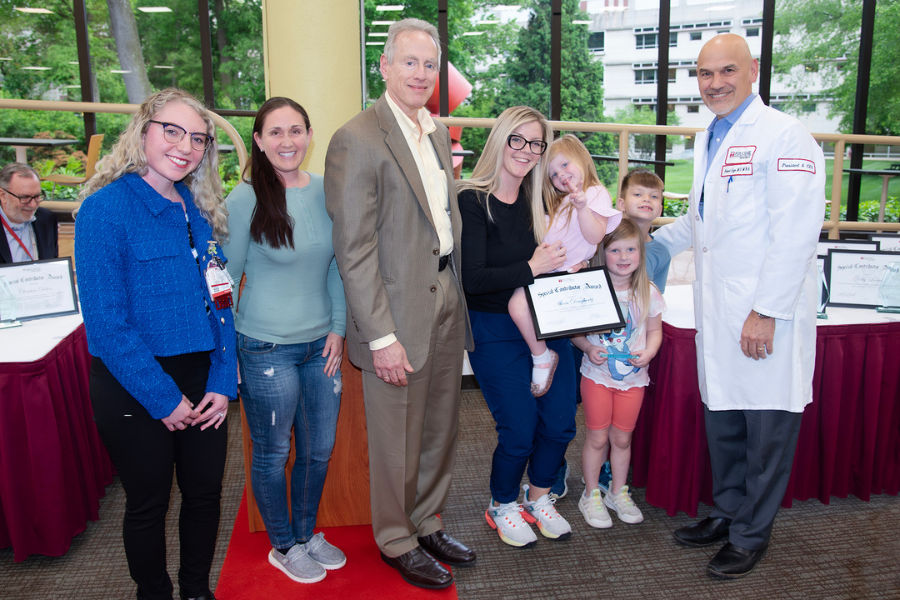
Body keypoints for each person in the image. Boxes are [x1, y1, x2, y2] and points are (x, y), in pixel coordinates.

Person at [653, 34, 825, 579]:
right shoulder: (712, 136)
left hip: (762, 315)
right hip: (720, 311)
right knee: (724, 421)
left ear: (753, 71)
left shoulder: (785, 136)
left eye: (727, 71)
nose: (715, 83)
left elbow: (796, 232)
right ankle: (728, 512)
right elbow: (704, 218)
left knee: (766, 431)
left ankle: (752, 534)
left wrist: (766, 310)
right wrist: (643, 240)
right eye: (705, 74)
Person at [324, 18, 474, 591]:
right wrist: (380, 335)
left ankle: (426, 519)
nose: (419, 73)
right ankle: (395, 537)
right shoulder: (357, 138)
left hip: (444, 296)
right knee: (396, 438)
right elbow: (354, 248)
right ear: (384, 67)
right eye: (408, 62)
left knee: (441, 424)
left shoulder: (435, 132)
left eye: (429, 64)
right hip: (394, 312)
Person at [75, 88, 236, 600]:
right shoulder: (104, 210)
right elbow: (106, 326)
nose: (185, 146)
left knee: (205, 495)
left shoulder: (199, 208)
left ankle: (196, 590)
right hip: (134, 386)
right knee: (148, 503)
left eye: (198, 138)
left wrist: (221, 380)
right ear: (143, 129)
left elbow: (222, 302)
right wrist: (163, 398)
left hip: (202, 379)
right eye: (172, 131)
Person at [223, 97, 346, 585]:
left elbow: (337, 266)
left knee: (319, 449)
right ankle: (284, 543)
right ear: (258, 140)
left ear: (310, 136)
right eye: (275, 132)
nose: (287, 141)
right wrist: (223, 354)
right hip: (264, 348)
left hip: (322, 346)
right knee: (273, 452)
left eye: (296, 131)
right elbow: (225, 282)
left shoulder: (324, 191)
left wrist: (337, 328)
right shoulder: (244, 197)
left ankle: (307, 531)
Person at [459, 105, 577, 549]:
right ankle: (503, 503)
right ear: (501, 139)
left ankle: (540, 497)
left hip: (546, 319)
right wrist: (533, 265)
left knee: (563, 420)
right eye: (518, 140)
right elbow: (474, 279)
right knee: (520, 428)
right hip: (493, 325)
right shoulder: (471, 199)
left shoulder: (541, 200)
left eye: (536, 143)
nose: (526, 151)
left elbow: (568, 248)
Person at [506, 134, 621, 397]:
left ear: (581, 159)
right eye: (554, 174)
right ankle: (542, 355)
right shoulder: (560, 201)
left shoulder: (594, 193)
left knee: (544, 318)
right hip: (548, 271)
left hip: (568, 274)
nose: (561, 176)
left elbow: (595, 236)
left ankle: (547, 360)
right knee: (517, 305)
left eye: (565, 165)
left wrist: (582, 208)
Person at [571, 219, 664, 529]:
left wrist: (649, 352)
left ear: (640, 252)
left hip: (633, 380)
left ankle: (617, 492)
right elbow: (575, 331)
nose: (624, 257)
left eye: (631, 249)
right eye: (615, 250)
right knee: (597, 438)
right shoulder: (591, 289)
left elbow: (654, 331)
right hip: (597, 377)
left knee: (622, 440)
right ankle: (591, 494)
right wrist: (586, 346)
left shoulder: (648, 292)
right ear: (602, 253)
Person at [0, 163, 58, 263]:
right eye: (24, 197)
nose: (33, 205)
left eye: (37, 196)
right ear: (3, 196)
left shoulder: (47, 219)